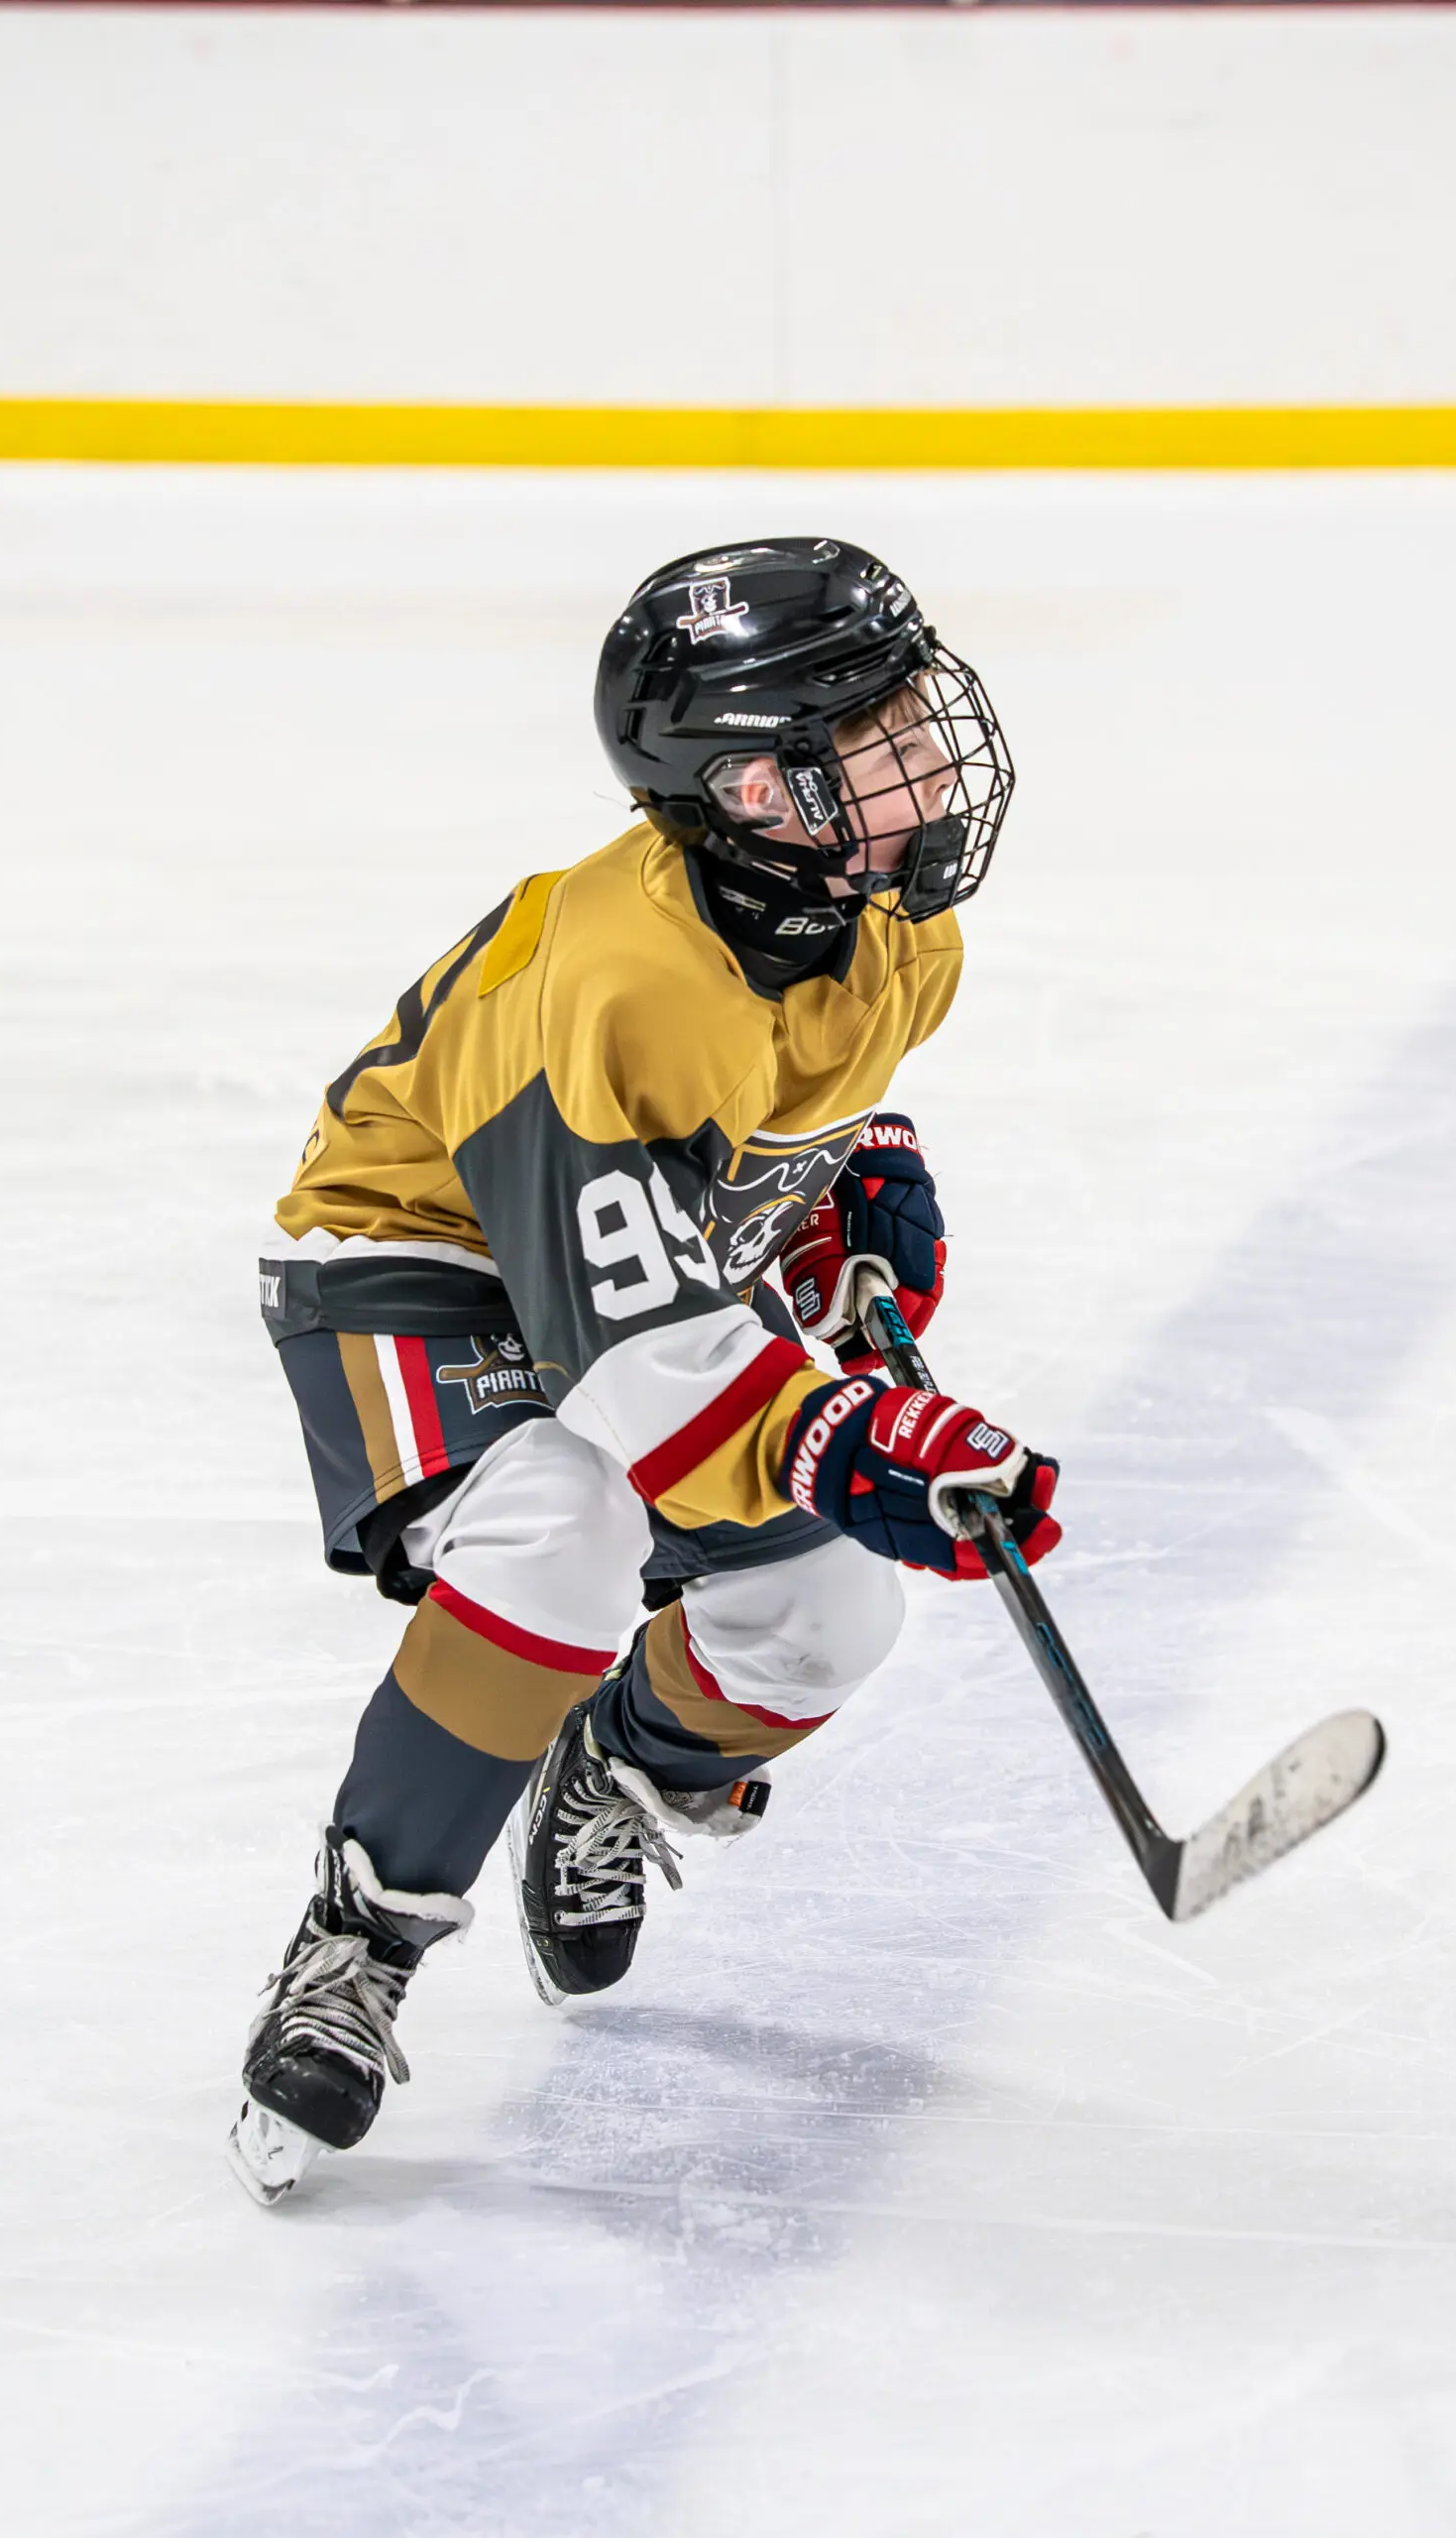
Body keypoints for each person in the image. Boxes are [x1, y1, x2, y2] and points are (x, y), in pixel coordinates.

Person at [228, 536, 1064, 2206]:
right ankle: (361, 1940)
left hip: (627, 1267)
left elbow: (753, 1117)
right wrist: (852, 1445)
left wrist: (842, 1183)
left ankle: (617, 1761)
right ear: (755, 789)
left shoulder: (891, 924)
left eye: (916, 712)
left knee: (822, 1619)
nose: (929, 755)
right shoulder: (622, 974)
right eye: (878, 737)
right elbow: (638, 1359)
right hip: (422, 1258)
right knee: (562, 1525)